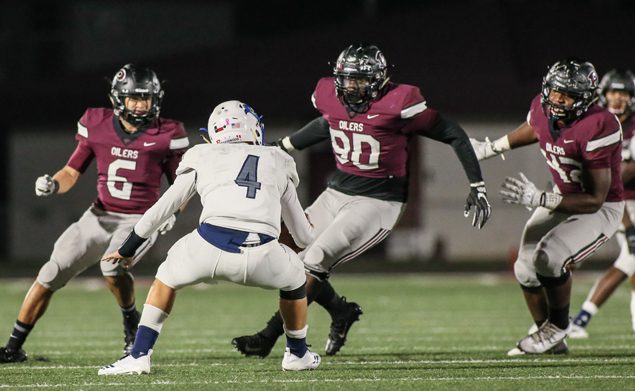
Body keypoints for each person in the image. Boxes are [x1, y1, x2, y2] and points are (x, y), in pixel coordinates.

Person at [232, 43, 492, 358]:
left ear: (380, 79)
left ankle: (269, 336)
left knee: (312, 260)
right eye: (347, 79)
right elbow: (329, 123)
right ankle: (340, 311)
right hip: (337, 192)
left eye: (360, 80)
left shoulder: (400, 103)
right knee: (287, 254)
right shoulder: (328, 94)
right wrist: (282, 145)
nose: (351, 87)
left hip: (379, 200)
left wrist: (477, 184)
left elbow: (453, 133)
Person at [97, 100, 320, 375]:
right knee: (296, 276)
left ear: (214, 132)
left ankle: (139, 355)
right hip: (263, 255)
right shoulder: (278, 160)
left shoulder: (201, 154)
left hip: (208, 248)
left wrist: (128, 248)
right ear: (253, 128)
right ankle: (297, 354)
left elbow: (163, 208)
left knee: (166, 277)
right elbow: (303, 236)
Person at [0, 64, 189, 363]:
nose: (141, 104)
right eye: (134, 98)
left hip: (139, 221)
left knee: (111, 268)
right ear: (118, 98)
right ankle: (12, 347)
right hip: (98, 215)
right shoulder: (95, 123)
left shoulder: (168, 132)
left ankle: (130, 321)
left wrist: (169, 214)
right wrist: (52, 184)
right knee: (50, 272)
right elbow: (71, 172)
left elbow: (182, 185)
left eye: (147, 98)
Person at [470, 58, 624, 355]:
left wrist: (541, 198)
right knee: (525, 268)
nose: (556, 100)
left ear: (584, 99)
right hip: (561, 195)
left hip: (601, 208)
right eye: (553, 92)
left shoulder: (599, 125)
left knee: (548, 256)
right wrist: (490, 149)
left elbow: (594, 198)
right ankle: (550, 336)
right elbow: (533, 128)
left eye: (565, 96)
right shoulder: (542, 107)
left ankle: (557, 326)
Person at [569, 69, 635, 338]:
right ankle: (562, 321)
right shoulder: (598, 123)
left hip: (620, 200)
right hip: (613, 202)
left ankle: (578, 320)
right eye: (612, 92)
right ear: (603, 95)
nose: (617, 98)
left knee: (628, 261)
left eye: (623, 93)